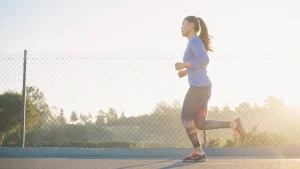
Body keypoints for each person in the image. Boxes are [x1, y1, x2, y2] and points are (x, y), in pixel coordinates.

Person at [175, 16, 246, 162]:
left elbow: (204, 60)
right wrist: (186, 71)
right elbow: (199, 62)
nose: (181, 27)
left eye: (183, 24)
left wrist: (184, 65)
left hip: (199, 87)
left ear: (191, 25)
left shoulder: (194, 41)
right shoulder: (193, 42)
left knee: (186, 118)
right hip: (204, 86)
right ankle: (234, 124)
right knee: (200, 123)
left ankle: (199, 153)